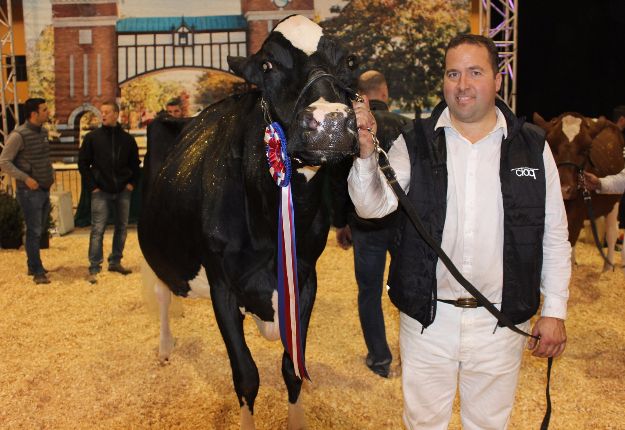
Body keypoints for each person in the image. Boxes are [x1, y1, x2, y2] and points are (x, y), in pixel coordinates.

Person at [349, 34, 570, 429]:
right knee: (422, 424)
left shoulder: (532, 148)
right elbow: (372, 205)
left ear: (497, 80)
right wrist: (366, 155)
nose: (463, 85)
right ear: (444, 81)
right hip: (429, 322)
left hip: (499, 324)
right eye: (453, 73)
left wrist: (554, 311)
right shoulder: (414, 142)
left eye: (474, 72)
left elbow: (553, 233)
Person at [334, 70, 409, 378]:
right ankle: (413, 353)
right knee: (407, 287)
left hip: (365, 225)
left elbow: (339, 178)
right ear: (385, 91)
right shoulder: (405, 126)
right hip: (403, 223)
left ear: (362, 96)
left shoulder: (353, 128)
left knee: (369, 291)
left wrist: (340, 221)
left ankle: (379, 359)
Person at [78, 101, 140, 284]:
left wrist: (131, 184)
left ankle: (115, 261)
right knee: (97, 230)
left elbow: (135, 164)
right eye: (101, 112)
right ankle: (95, 266)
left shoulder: (128, 140)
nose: (102, 115)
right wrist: (93, 186)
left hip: (123, 191)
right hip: (100, 191)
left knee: (121, 228)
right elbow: (83, 164)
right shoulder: (92, 138)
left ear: (116, 114)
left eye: (107, 112)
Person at [0, 98, 54, 284]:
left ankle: (33, 265)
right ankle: (37, 271)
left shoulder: (43, 132)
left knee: (38, 230)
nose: (48, 112)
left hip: (44, 188)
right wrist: (26, 178)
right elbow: (4, 162)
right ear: (34, 114)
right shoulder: (18, 135)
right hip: (29, 192)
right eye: (44, 109)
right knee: (34, 231)